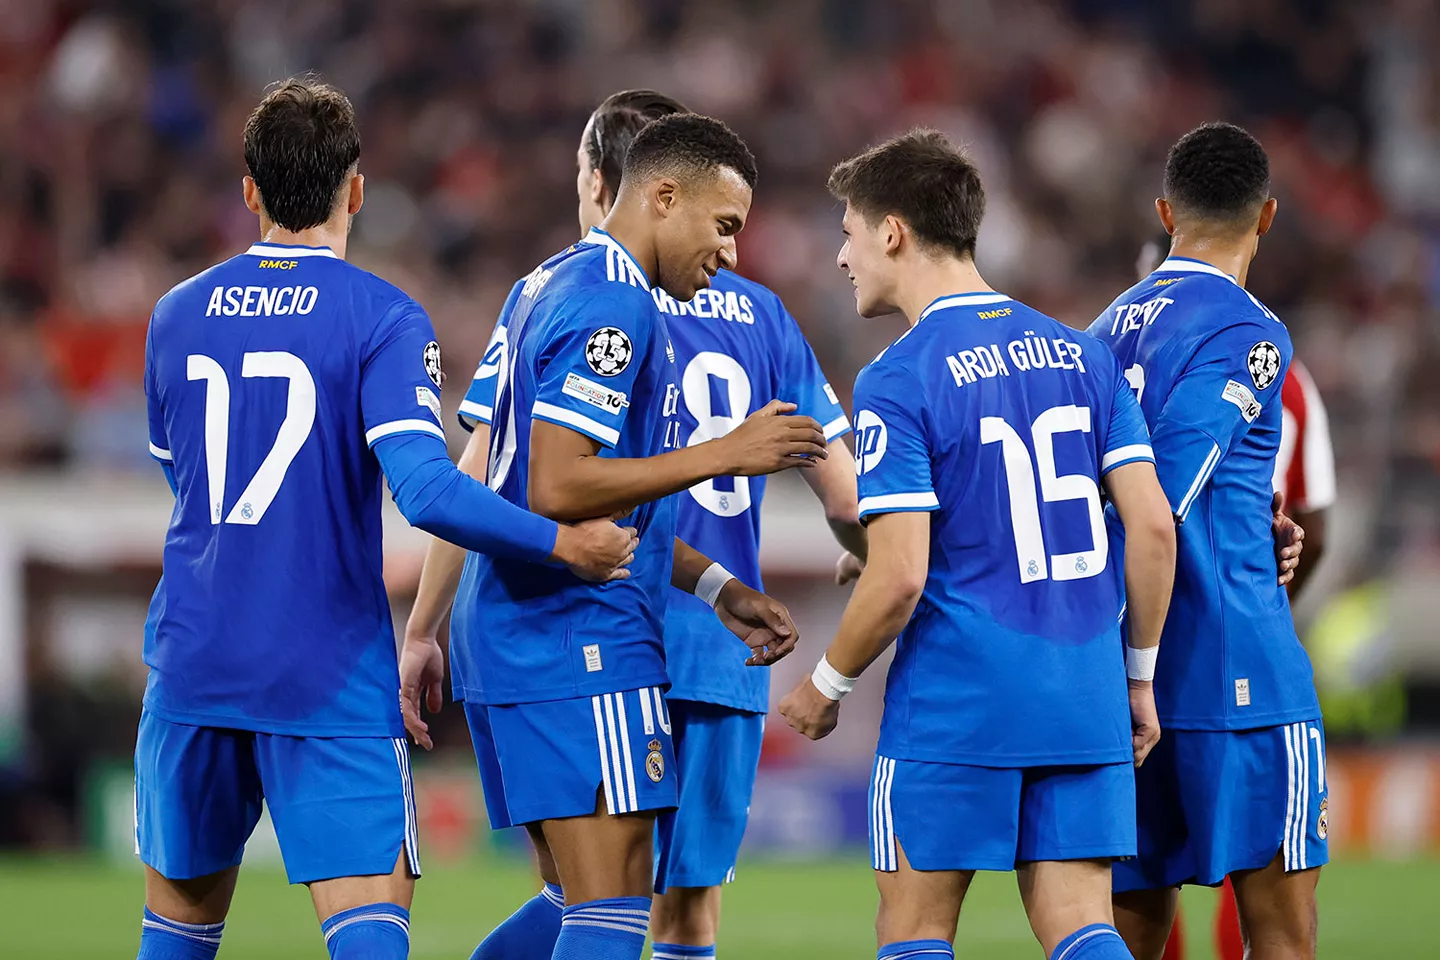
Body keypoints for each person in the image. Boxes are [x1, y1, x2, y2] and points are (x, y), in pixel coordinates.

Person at [134, 77, 638, 960]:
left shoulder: (173, 317)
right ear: (356, 189)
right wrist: (563, 542)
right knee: (367, 938)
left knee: (176, 938)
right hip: (322, 674)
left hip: (191, 668)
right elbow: (430, 492)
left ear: (248, 191)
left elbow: (184, 484)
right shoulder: (381, 316)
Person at [402, 90, 865, 960]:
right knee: (620, 910)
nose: (731, 253)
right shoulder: (617, 303)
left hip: (521, 625)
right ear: (661, 196)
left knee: (578, 895)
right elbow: (559, 483)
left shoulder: (543, 283)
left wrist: (716, 584)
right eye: (723, 226)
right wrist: (724, 452)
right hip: (578, 632)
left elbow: (518, 473)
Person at [779, 129, 1178, 960]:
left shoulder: (900, 373)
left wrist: (825, 684)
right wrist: (1137, 678)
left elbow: (900, 577)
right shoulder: (1083, 356)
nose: (843, 258)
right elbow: (1148, 526)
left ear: (893, 231)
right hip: (1084, 692)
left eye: (848, 233)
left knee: (916, 930)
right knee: (1081, 926)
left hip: (959, 700)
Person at [1090, 122, 1327, 960]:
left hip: (1120, 677)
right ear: (1266, 217)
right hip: (1240, 677)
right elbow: (1168, 491)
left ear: (1165, 211)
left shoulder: (1103, 330)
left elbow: (1106, 490)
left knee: (1131, 930)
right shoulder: (1251, 330)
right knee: (1281, 938)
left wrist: (1254, 521)